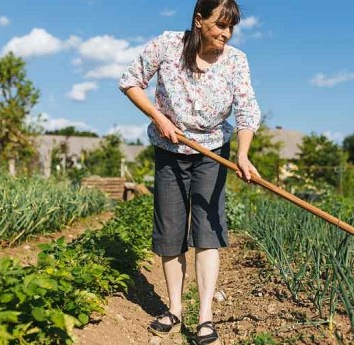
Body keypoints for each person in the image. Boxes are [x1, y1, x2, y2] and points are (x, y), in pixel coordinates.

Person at [118, 0, 261, 343]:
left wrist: (242, 153)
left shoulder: (236, 61)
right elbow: (130, 80)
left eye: (231, 28)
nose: (226, 34)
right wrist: (158, 116)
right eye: (219, 25)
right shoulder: (168, 44)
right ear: (199, 20)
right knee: (170, 230)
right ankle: (175, 310)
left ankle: (206, 317)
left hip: (213, 151)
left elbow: (246, 109)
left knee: (207, 229)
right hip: (170, 149)